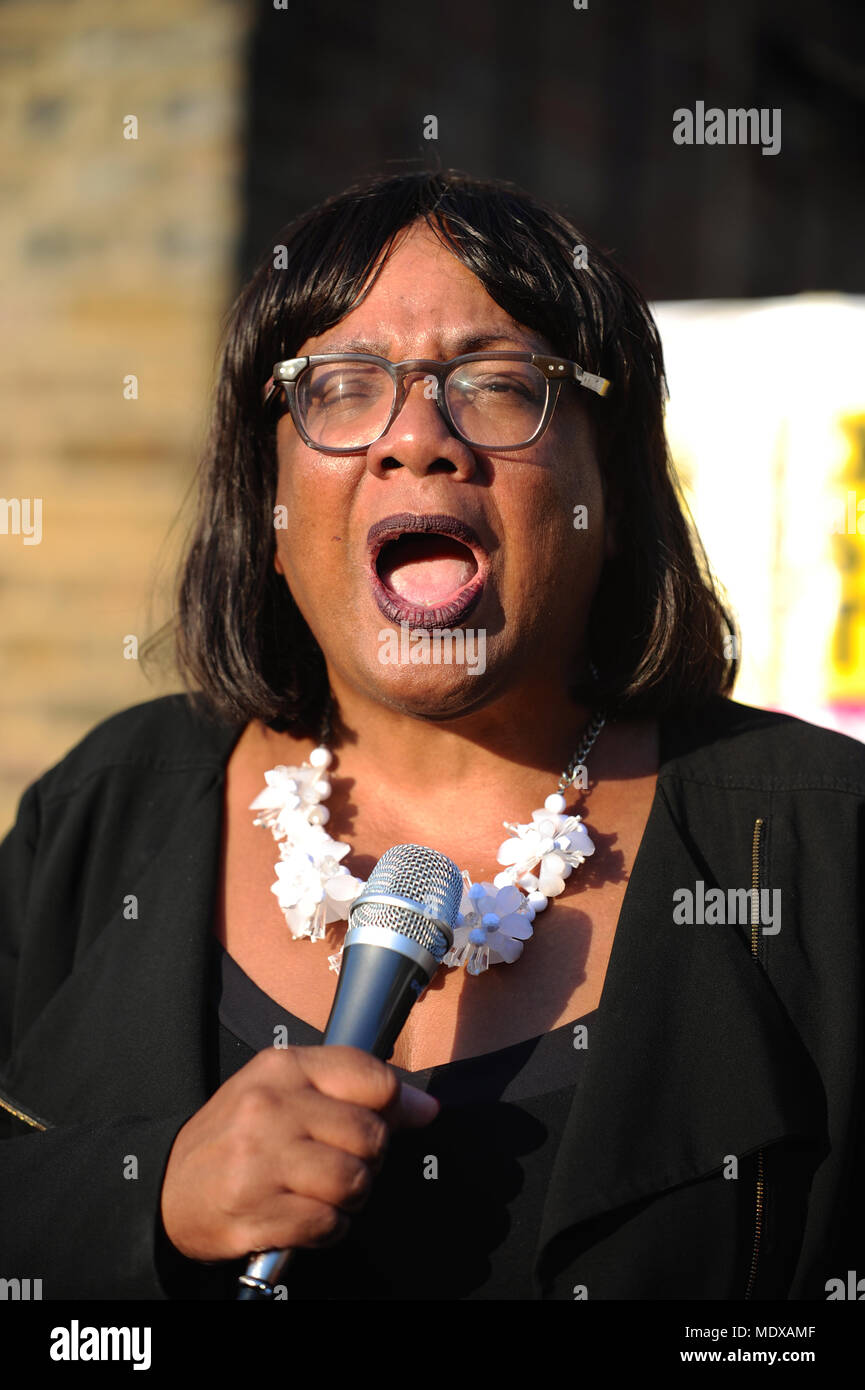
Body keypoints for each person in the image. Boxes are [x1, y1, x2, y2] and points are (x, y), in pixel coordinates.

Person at [0, 169, 862, 1302]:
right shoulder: (104, 806)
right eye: (342, 386)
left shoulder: (820, 842)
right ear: (265, 501)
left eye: (498, 385)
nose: (419, 438)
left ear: (613, 491)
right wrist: (144, 1195)